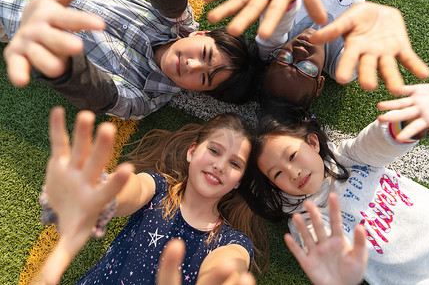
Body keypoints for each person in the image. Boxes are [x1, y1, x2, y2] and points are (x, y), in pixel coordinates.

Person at [241, 83, 429, 284]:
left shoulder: (350, 157)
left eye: (293, 155)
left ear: (312, 143)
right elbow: (320, 245)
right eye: (277, 173)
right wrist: (334, 263)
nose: (293, 173)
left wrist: (415, 119)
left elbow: (379, 141)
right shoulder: (306, 220)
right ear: (274, 185)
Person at [36, 106, 267, 284]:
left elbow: (230, 263)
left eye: (235, 164)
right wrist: (101, 194)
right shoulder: (157, 188)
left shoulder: (232, 242)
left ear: (239, 182)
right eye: (214, 151)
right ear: (192, 152)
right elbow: (131, 191)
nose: (220, 165)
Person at [0, 0, 263, 120]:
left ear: (199, 92)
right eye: (204, 54)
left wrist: (64, 66)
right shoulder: (178, 23)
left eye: (204, 78)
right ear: (200, 35)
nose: (192, 65)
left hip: (12, 16)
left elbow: (96, 93)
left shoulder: (142, 100)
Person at [204, 0, 429, 108]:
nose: (299, 52)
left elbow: (274, 27)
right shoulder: (339, 64)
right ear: (320, 84)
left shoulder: (277, 41)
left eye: (285, 60)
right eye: (308, 69)